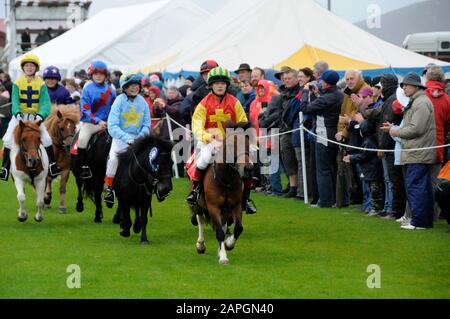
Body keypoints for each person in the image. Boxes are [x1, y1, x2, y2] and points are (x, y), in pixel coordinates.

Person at [186, 67, 257, 214]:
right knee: (204, 159)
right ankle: (195, 192)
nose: (220, 86)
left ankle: (246, 198)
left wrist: (246, 141)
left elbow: (243, 122)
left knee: (250, 161)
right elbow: (197, 126)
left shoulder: (235, 102)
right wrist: (208, 137)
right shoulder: (203, 104)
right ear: (211, 85)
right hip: (209, 141)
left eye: (223, 83)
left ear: (227, 85)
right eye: (216, 83)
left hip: (231, 142)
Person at [0, 54, 61, 181]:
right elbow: (15, 100)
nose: (29, 68)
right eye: (26, 65)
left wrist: (41, 115)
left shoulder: (41, 84)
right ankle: (5, 168)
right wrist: (17, 113)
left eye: (31, 66)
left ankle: (52, 165)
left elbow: (45, 102)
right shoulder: (17, 82)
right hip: (19, 117)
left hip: (35, 118)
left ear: (36, 68)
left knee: (47, 139)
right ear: (23, 68)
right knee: (7, 140)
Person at [388, 73, 436, 230]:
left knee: (416, 187)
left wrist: (396, 131)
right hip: (416, 152)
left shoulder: (421, 103)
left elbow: (416, 129)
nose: (404, 88)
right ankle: (423, 220)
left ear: (416, 86)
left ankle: (420, 222)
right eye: (403, 85)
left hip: (417, 152)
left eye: (407, 85)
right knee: (421, 187)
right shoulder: (417, 101)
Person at [103, 73, 150, 206]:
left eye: (136, 85)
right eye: (131, 85)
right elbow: (112, 126)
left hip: (139, 139)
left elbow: (147, 124)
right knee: (113, 159)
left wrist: (140, 137)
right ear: (124, 87)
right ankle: (109, 189)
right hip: (120, 138)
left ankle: (154, 187)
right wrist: (127, 138)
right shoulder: (118, 101)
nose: (134, 88)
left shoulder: (143, 102)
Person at [303, 70, 344, 208]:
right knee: (331, 168)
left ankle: (325, 200)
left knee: (323, 169)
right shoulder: (338, 95)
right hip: (332, 133)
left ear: (326, 83)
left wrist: (305, 93)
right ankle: (332, 199)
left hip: (324, 134)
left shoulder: (328, 98)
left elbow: (306, 109)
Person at [77, 60, 116, 179]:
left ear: (105, 75)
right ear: (91, 75)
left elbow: (115, 108)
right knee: (82, 139)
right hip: (91, 123)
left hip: (109, 123)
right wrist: (98, 121)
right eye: (96, 74)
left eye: (101, 74)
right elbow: (85, 109)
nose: (98, 76)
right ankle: (83, 167)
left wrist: (112, 121)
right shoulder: (87, 89)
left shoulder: (111, 90)